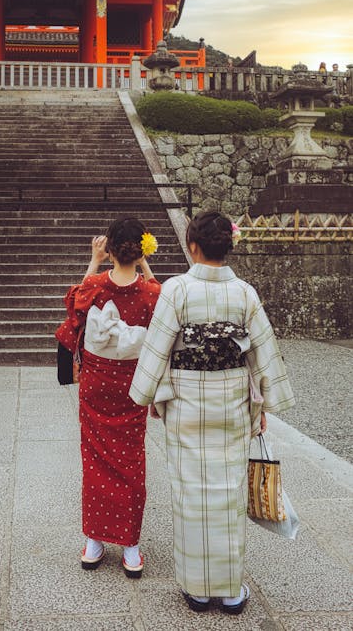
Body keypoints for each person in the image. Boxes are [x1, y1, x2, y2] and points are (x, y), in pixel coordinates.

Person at [129, 211, 295, 615]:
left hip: (186, 402)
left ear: (193, 247)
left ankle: (198, 590)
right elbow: (262, 352)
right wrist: (265, 401)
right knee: (228, 493)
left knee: (190, 493)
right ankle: (231, 589)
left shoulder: (176, 290)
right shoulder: (244, 293)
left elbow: (158, 348)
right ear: (228, 247)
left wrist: (147, 394)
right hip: (233, 402)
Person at [56, 216, 161, 578]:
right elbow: (161, 307)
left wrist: (94, 261)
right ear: (141, 248)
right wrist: (146, 264)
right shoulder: (151, 293)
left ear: (110, 248)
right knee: (131, 462)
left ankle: (94, 542)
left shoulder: (96, 286)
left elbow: (75, 306)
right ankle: (130, 546)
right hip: (132, 386)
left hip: (97, 383)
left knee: (95, 461)